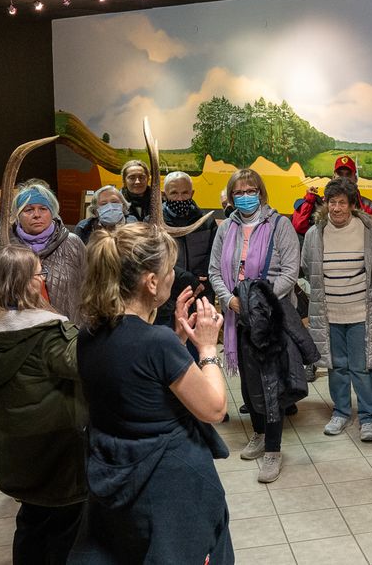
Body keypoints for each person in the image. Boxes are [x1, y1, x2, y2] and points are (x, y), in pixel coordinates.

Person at [70, 223, 232, 564]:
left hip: (117, 481)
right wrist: (206, 347)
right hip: (168, 490)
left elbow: (140, 383)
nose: (174, 275)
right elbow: (214, 408)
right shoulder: (156, 343)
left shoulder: (89, 334)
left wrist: (177, 338)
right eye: (169, 269)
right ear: (152, 282)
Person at [0, 246, 86, 563]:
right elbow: (87, 365)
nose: (43, 279)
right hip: (56, 447)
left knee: (31, 520)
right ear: (23, 283)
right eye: (39, 273)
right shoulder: (49, 334)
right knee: (65, 527)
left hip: (13, 444)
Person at [208, 168, 301, 482]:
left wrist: (259, 302)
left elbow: (290, 271)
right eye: (239, 192)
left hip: (270, 316)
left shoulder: (279, 225)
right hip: (238, 315)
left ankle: (273, 450)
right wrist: (231, 300)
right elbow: (215, 271)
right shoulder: (226, 228)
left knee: (271, 384)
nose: (245, 196)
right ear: (231, 196)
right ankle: (259, 434)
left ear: (261, 193)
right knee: (249, 384)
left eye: (251, 191)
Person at [301, 177, 372, 442]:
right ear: (326, 204)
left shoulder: (369, 232)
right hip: (329, 314)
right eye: (332, 202)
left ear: (352, 205)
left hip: (361, 313)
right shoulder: (314, 234)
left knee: (362, 367)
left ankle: (368, 418)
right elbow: (307, 266)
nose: (337, 208)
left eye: (342, 203)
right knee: (336, 366)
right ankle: (340, 412)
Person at [0, 182, 86, 322]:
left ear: (52, 212)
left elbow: (89, 287)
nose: (37, 215)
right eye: (28, 210)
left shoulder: (72, 243)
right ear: (17, 214)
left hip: (66, 330)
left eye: (43, 209)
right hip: (17, 329)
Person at [156, 171, 217, 322]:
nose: (180, 198)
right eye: (174, 193)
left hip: (201, 291)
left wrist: (201, 275)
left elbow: (215, 252)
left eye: (185, 193)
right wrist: (186, 278)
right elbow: (156, 258)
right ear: (164, 194)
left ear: (192, 193)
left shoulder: (206, 221)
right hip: (167, 294)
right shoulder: (153, 223)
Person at [292, 155, 372, 236]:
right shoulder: (318, 204)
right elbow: (299, 227)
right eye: (340, 174)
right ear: (333, 177)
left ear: (355, 178)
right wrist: (309, 201)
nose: (344, 178)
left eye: (348, 174)